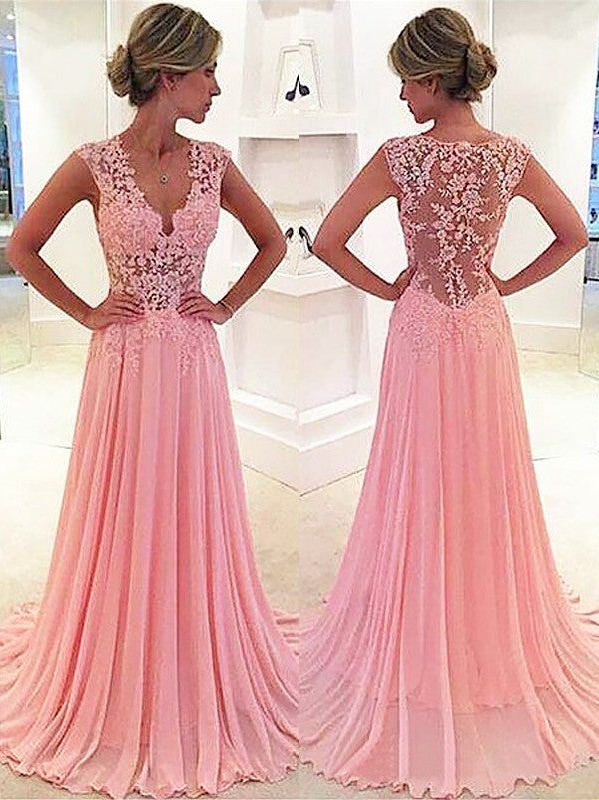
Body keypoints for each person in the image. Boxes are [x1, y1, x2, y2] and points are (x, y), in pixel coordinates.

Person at [299, 6, 599, 799]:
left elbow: (327, 241)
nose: (400, 95)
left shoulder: (401, 158)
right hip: (483, 330)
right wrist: (506, 284)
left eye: (404, 80)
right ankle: (482, 623)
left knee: (421, 473)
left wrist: (388, 287)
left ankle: (423, 620)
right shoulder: (510, 155)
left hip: (424, 326)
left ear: (432, 79)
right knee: (483, 477)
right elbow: (574, 233)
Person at [0, 4, 297, 798]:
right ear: (169, 76)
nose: (216, 88)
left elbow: (273, 241)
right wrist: (86, 310)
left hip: (193, 361)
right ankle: (121, 649)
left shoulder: (214, 163)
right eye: (208, 72)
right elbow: (21, 246)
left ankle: (189, 642)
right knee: (125, 503)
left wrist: (224, 303)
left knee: (188, 501)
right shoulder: (93, 163)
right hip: (125, 365)